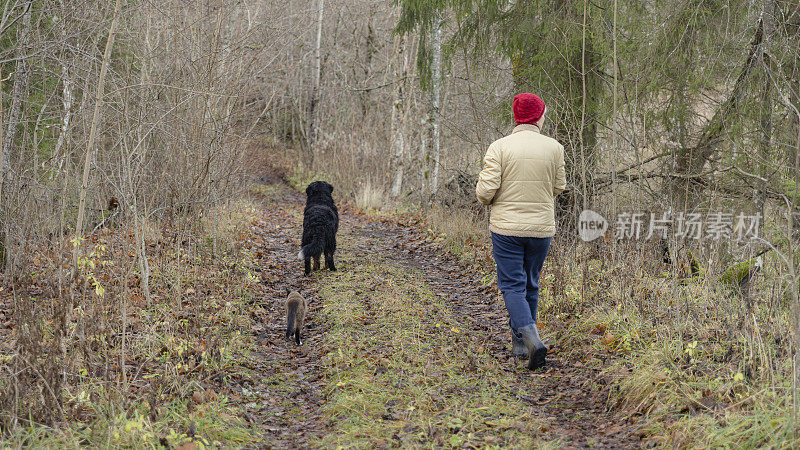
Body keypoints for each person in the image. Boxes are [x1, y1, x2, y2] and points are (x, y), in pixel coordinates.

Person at [475, 93, 566, 370]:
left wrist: (489, 198)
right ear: (539, 116)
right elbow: (558, 187)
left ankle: (532, 341)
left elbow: (485, 192)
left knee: (512, 285)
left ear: (516, 117)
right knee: (531, 283)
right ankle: (519, 345)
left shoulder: (499, 147)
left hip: (506, 229)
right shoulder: (554, 148)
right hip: (541, 229)